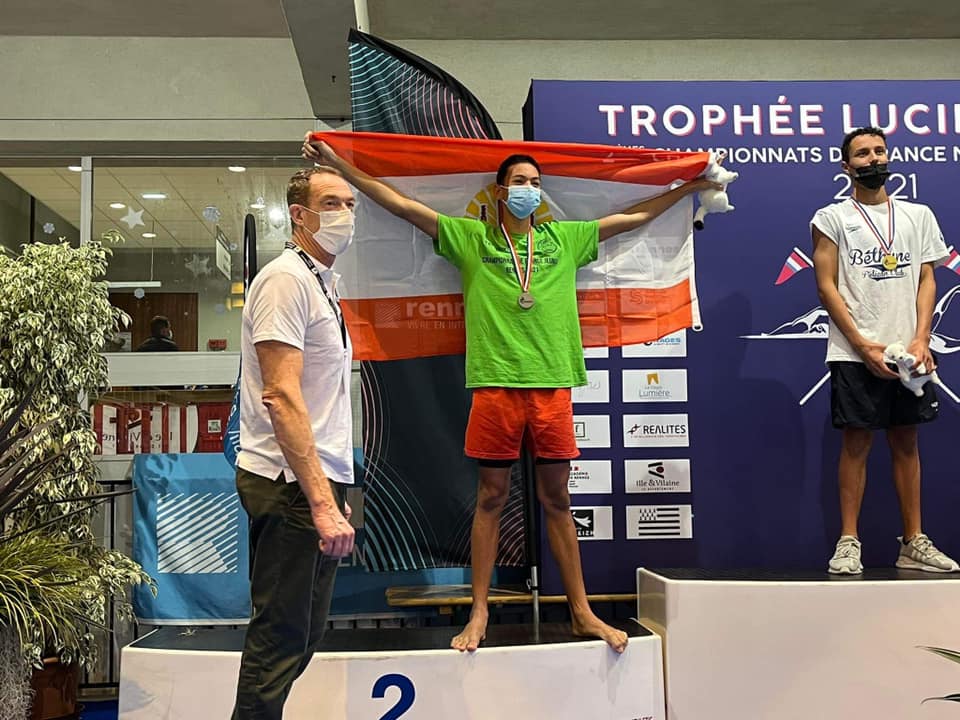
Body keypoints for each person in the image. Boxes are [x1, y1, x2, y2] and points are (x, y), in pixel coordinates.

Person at [304, 134, 718, 653]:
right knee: (491, 498)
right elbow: (402, 205)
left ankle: (583, 612)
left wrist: (688, 188)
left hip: (551, 386)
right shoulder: (473, 240)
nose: (529, 190)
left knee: (558, 500)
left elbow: (631, 218)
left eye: (536, 183)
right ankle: (477, 613)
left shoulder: (563, 239)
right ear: (500, 193)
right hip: (496, 387)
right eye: (520, 182)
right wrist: (340, 163)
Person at [232, 166, 357, 718]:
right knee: (280, 639)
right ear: (299, 216)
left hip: (315, 477)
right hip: (287, 484)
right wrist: (322, 504)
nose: (345, 215)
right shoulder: (285, 280)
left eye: (351, 203)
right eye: (332, 203)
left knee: (302, 634)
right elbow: (281, 397)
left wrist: (333, 487)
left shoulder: (323, 281)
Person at [812, 126, 958, 575]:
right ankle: (849, 541)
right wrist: (861, 344)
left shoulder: (918, 216)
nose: (873, 159)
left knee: (906, 442)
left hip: (910, 352)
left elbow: (928, 278)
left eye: (879, 151)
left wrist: (921, 338)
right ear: (847, 166)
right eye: (862, 154)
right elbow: (825, 285)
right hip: (855, 352)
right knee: (856, 443)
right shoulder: (830, 218)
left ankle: (913, 541)